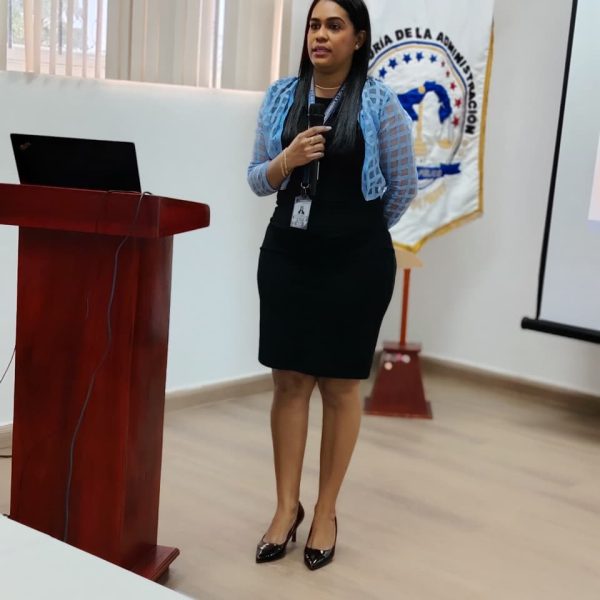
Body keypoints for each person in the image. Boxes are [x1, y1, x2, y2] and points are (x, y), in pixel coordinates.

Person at [247, 0, 417, 571]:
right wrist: (287, 159)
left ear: (358, 38)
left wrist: (356, 231)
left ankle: (325, 511)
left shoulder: (380, 102)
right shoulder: (280, 96)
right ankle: (285, 508)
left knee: (341, 386)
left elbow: (403, 185)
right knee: (289, 381)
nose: (320, 35)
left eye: (334, 26)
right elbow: (256, 179)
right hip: (287, 255)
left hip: (355, 261)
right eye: (314, 25)